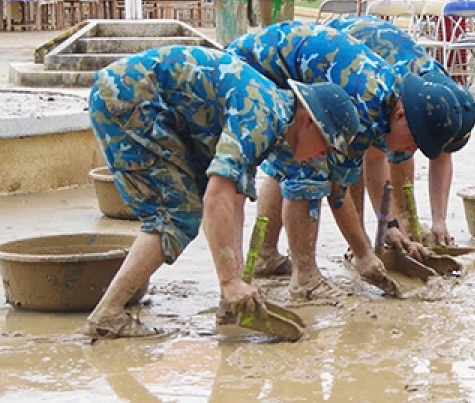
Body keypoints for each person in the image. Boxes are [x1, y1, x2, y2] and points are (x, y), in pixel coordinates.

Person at [85, 45, 361, 338]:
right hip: (128, 95)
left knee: (192, 205)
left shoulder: (273, 116)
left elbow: (234, 200)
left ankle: (120, 309)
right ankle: (108, 314)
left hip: (146, 99)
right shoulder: (262, 116)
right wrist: (230, 281)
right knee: (175, 215)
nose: (319, 158)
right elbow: (216, 198)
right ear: (307, 121)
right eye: (324, 147)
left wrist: (234, 287)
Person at [225, 21, 463, 298]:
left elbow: (343, 183)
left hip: (277, 67)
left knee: (288, 166)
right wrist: (363, 253)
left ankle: (265, 257)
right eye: (413, 142)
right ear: (400, 117)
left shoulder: (388, 99)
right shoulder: (363, 104)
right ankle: (305, 280)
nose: (409, 151)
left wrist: (390, 228)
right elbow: (335, 188)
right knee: (306, 170)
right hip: (253, 70)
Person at [323, 15, 475, 257]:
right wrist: (383, 228)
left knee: (403, 146)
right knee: (360, 150)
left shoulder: (444, 102)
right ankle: (359, 236)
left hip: (385, 57)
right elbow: (373, 158)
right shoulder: (394, 94)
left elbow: (439, 155)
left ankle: (406, 223)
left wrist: (439, 221)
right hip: (345, 43)